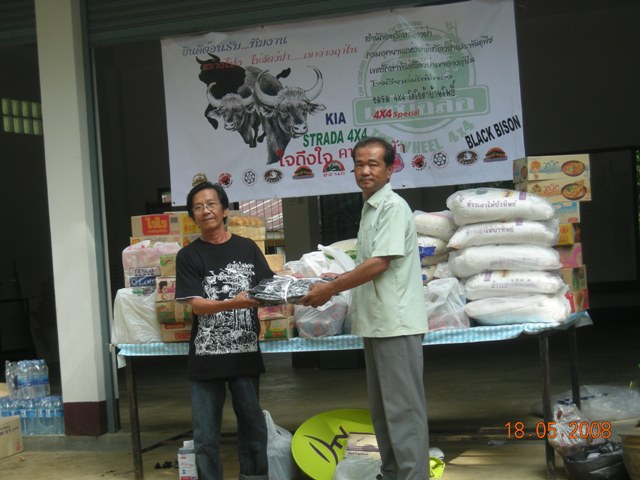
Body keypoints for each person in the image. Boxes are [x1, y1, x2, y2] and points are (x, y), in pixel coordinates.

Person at [300, 137, 429, 480]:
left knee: (403, 411)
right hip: (375, 323)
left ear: (390, 169)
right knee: (383, 412)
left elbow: (379, 263)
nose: (365, 171)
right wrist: (337, 277)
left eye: (373, 164)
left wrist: (331, 288)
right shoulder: (370, 207)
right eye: (359, 164)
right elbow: (369, 263)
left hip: (395, 323)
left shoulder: (392, 207)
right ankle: (391, 473)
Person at [175, 181, 274, 480]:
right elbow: (196, 305)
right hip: (206, 358)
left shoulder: (247, 248)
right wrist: (234, 303)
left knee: (253, 430)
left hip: (245, 354)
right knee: (205, 437)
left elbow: (267, 288)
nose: (205, 211)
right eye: (198, 207)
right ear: (192, 216)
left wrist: (296, 287)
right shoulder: (188, 256)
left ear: (225, 209)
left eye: (211, 204)